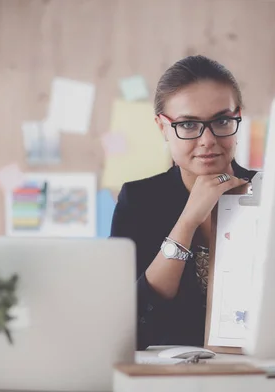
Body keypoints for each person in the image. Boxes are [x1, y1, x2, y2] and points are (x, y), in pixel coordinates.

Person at [110, 55, 258, 350]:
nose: (208, 140)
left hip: (260, 371)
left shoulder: (272, 192)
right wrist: (188, 220)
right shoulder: (139, 201)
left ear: (237, 116)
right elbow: (124, 328)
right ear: (162, 126)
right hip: (168, 380)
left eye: (222, 120)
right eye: (189, 124)